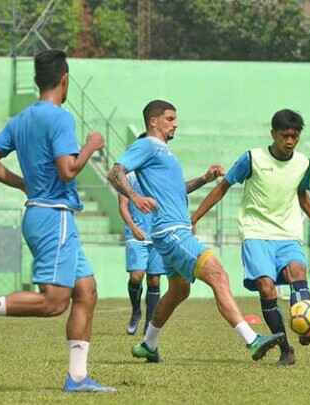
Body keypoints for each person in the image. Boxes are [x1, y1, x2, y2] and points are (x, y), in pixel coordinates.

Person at [0, 49, 114, 392]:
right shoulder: (60, 118)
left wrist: (22, 183)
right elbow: (68, 170)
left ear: (38, 81)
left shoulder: (21, 119)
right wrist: (91, 146)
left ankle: (78, 378)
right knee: (54, 302)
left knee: (87, 291)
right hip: (55, 217)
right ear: (65, 80)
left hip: (40, 212)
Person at [108, 100, 283, 364]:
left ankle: (149, 344)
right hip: (172, 231)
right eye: (169, 118)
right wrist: (134, 197)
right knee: (218, 274)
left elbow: (177, 190)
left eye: (175, 119)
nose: (175, 123)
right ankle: (251, 339)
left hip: (170, 231)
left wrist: (204, 179)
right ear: (153, 122)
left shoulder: (165, 154)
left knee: (179, 290)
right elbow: (115, 173)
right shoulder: (146, 145)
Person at [191, 109, 310, 366]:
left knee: (298, 274)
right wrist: (194, 218)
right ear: (273, 134)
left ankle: (307, 325)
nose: (290, 141)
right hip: (256, 233)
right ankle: (285, 349)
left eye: (295, 136)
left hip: (287, 233)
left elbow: (303, 196)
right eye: (285, 135)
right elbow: (222, 187)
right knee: (266, 286)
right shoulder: (253, 158)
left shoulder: (303, 163)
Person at [118, 171, 164, 335]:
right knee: (136, 276)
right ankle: (136, 311)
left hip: (157, 233)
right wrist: (132, 227)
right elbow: (123, 205)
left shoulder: (158, 174)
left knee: (154, 279)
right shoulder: (127, 177)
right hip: (136, 233)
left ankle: (149, 323)